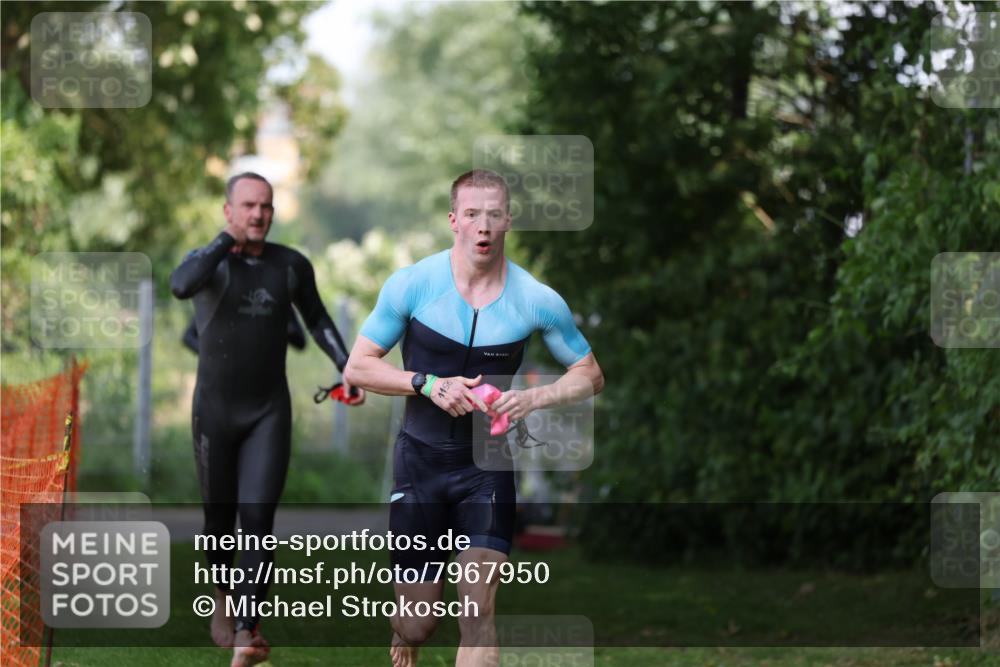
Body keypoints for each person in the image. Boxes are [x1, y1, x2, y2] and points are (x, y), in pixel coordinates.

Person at [344, 169, 604, 667]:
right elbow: (358, 366)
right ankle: (404, 636)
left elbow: (590, 374)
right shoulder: (413, 285)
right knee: (418, 621)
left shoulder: (536, 299)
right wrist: (426, 383)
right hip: (419, 463)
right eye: (471, 215)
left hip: (485, 467)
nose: (483, 226)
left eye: (493, 215)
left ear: (509, 220)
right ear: (453, 221)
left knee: (478, 609)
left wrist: (535, 399)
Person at [170, 172, 364, 667]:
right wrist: (223, 242)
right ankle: (222, 599)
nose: (259, 214)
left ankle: (246, 633)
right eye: (249, 206)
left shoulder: (290, 265)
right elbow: (179, 285)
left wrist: (348, 369)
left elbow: (318, 319)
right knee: (219, 521)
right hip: (214, 412)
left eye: (266, 207)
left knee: (257, 519)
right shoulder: (209, 263)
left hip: (267, 412)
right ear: (229, 210)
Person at [181, 310, 307, 353]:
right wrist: (214, 357)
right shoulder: (221, 294)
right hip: (224, 384)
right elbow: (188, 337)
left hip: (266, 385)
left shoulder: (275, 294)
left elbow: (300, 342)